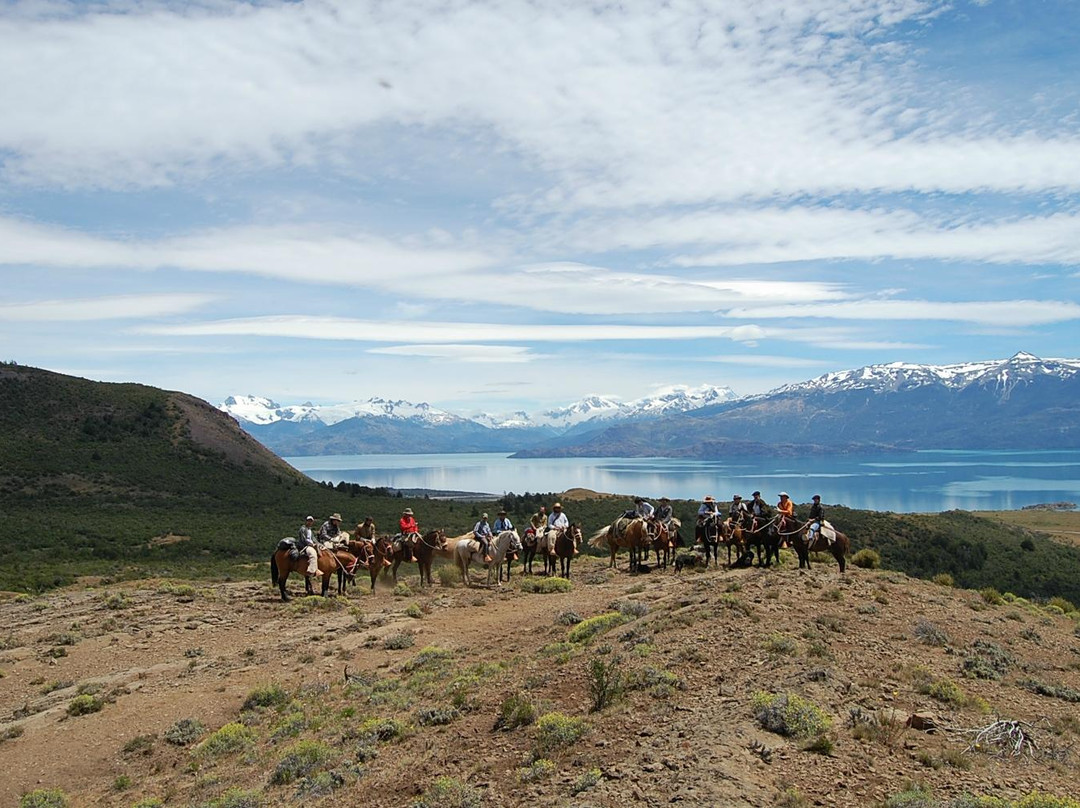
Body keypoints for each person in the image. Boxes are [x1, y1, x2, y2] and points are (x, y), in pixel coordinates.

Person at [297, 515, 319, 580]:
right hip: (305, 545)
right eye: (308, 521)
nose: (309, 522)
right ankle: (311, 571)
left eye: (311, 521)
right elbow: (304, 539)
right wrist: (311, 544)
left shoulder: (310, 530)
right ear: (306, 521)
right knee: (313, 554)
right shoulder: (303, 529)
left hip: (310, 544)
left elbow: (313, 538)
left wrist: (318, 544)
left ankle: (317, 568)